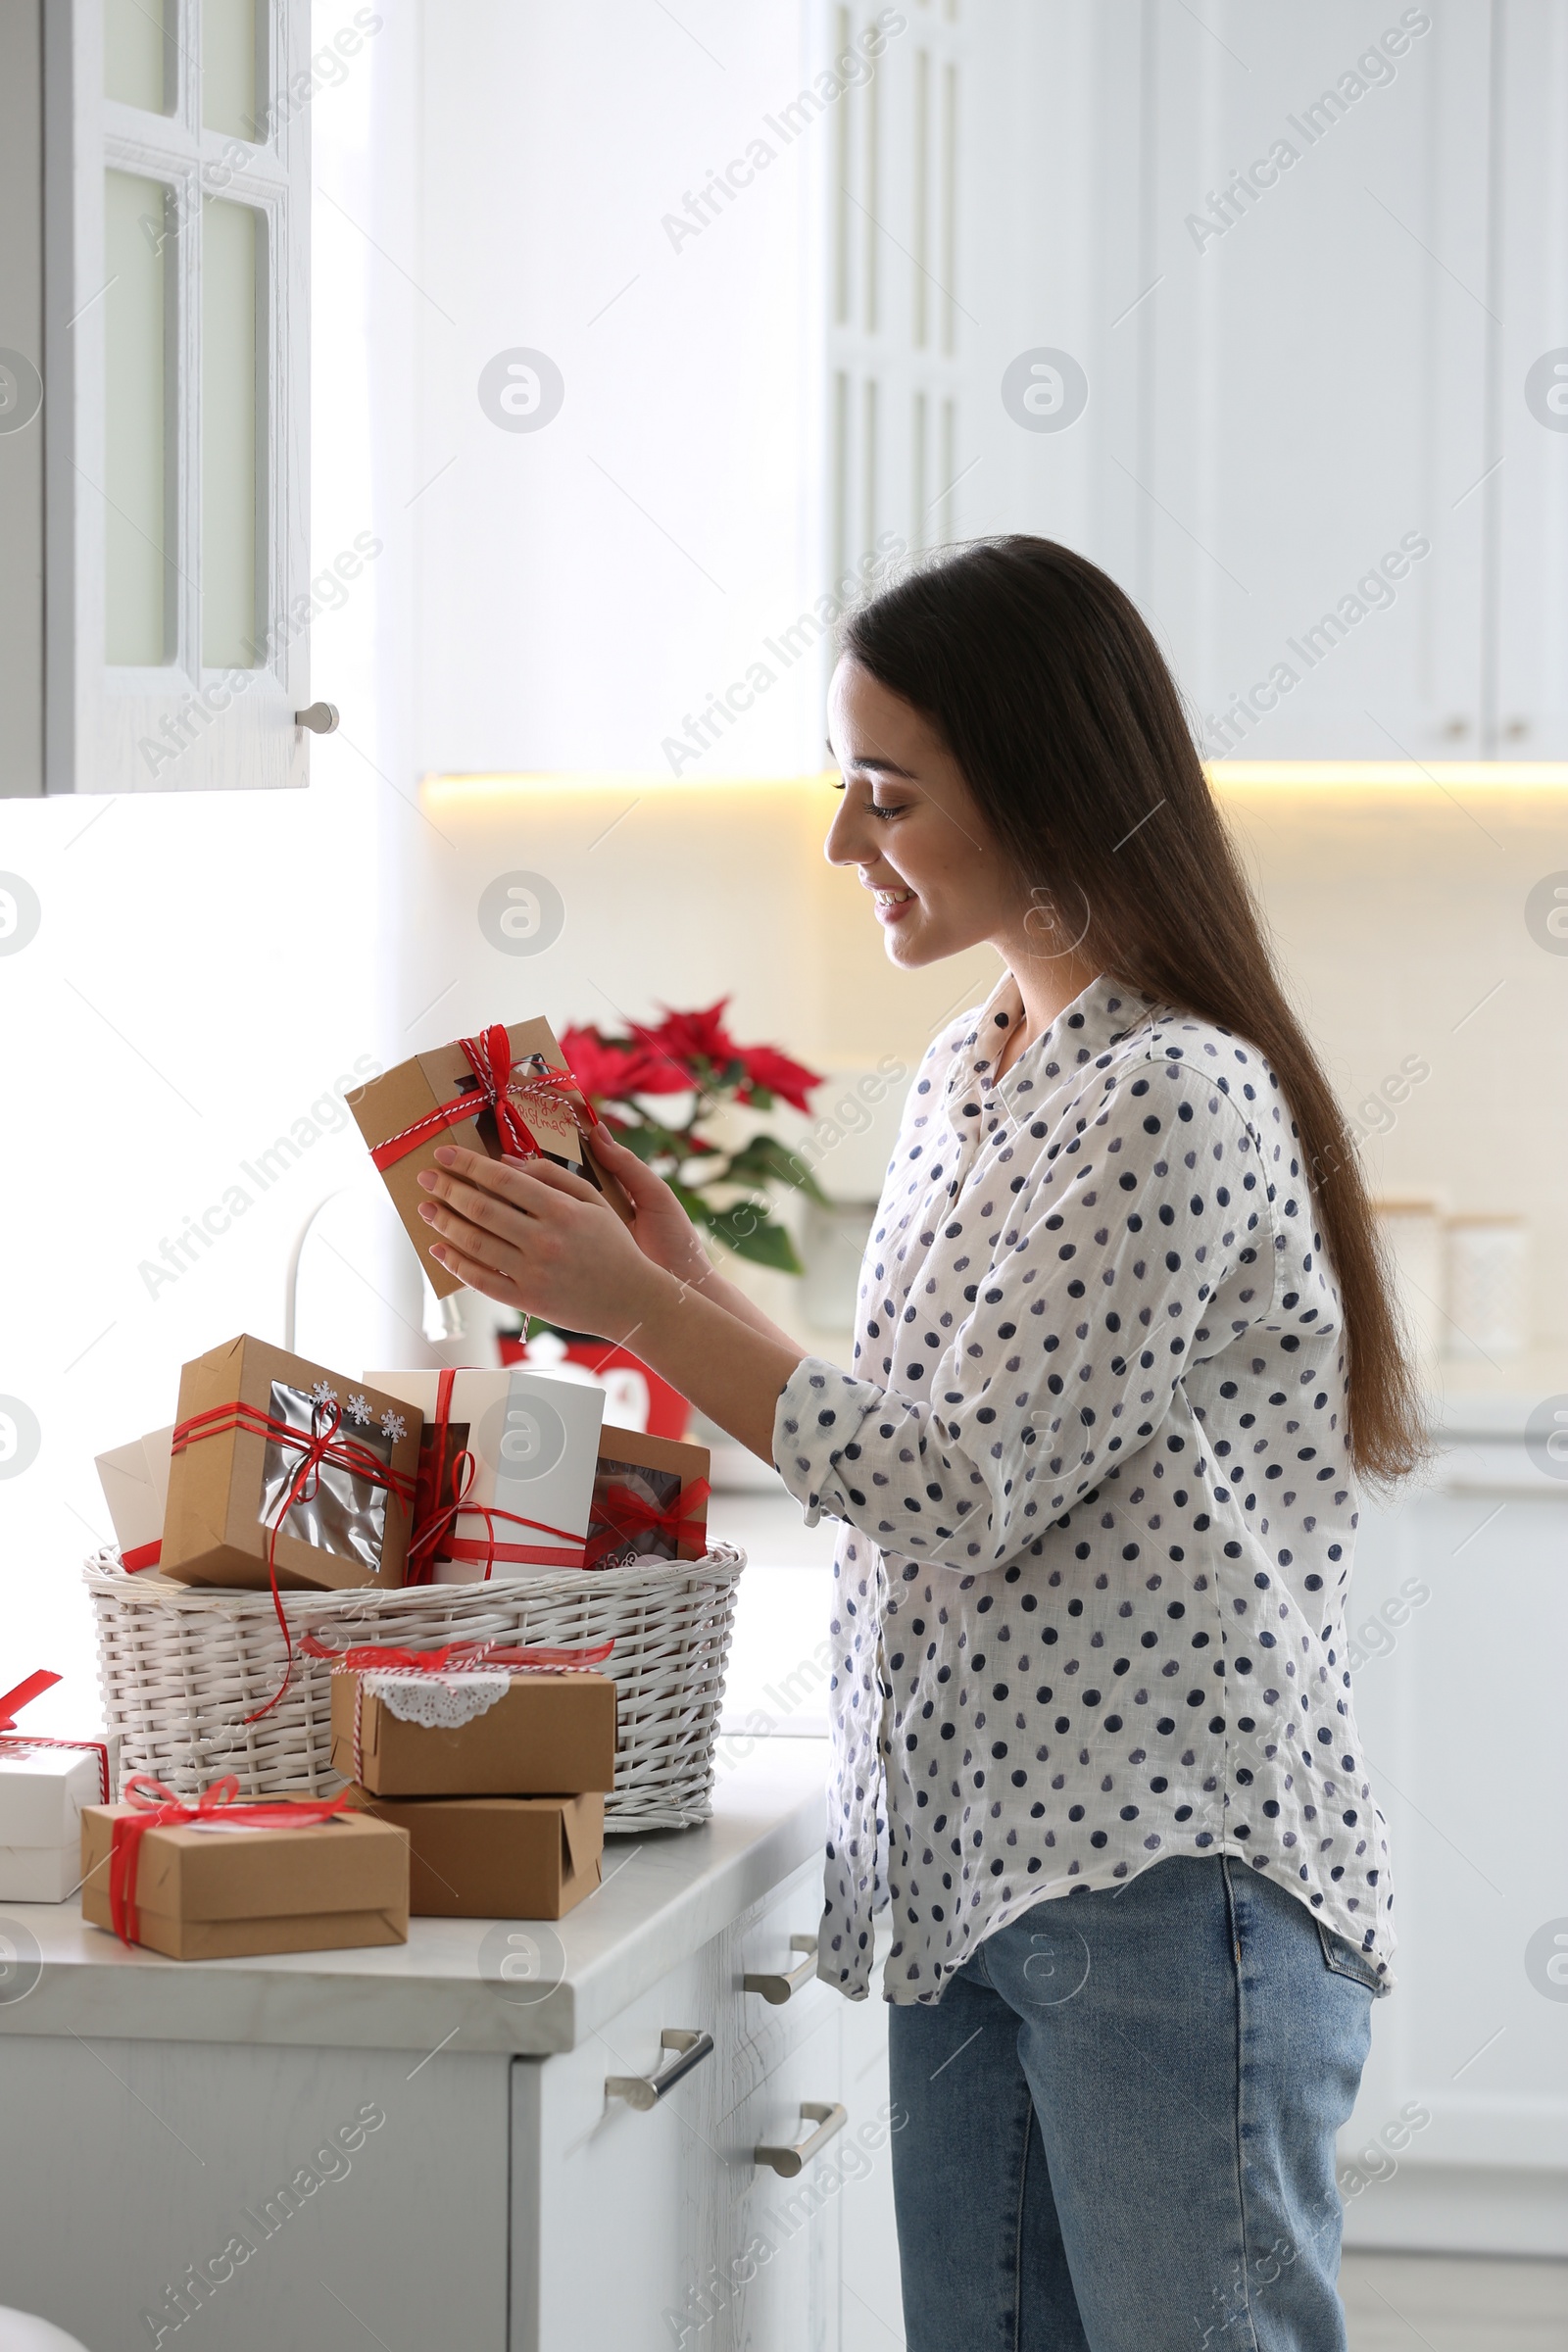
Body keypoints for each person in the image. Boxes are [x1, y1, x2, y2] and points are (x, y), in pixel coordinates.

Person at [415, 536, 1423, 2352]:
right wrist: (682, 1271)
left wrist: (643, 1318)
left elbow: (959, 1492)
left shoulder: (1172, 1091)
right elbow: (938, 1425)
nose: (843, 841)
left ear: (1044, 785)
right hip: (966, 1874)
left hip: (1158, 1894)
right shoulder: (983, 1066)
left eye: (887, 794)